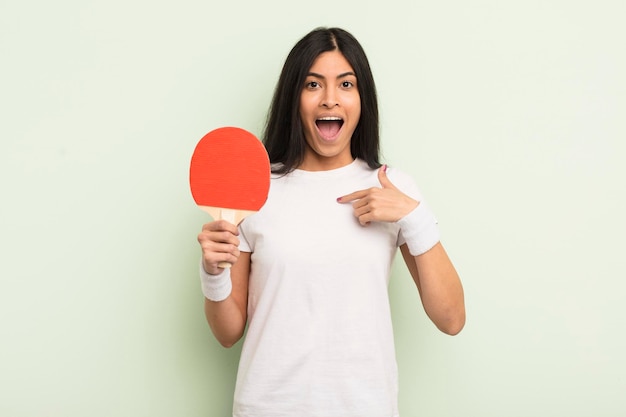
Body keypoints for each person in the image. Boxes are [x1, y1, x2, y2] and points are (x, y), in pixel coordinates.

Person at [197, 27, 465, 417]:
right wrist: (212, 271)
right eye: (312, 84)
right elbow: (227, 333)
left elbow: (451, 319)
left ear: (362, 98)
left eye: (346, 84)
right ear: (294, 97)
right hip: (267, 406)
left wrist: (414, 216)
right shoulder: (253, 189)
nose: (329, 99)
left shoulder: (392, 188)